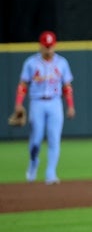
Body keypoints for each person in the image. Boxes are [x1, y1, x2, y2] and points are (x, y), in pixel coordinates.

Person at [12, 31, 75, 185]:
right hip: (37, 102)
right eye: (46, 46)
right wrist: (18, 104)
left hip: (55, 102)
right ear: (40, 45)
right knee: (36, 139)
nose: (48, 49)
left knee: (54, 139)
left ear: (54, 45)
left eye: (50, 46)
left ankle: (50, 174)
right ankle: (33, 162)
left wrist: (70, 105)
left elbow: (67, 86)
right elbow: (23, 85)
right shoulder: (31, 63)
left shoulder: (62, 63)